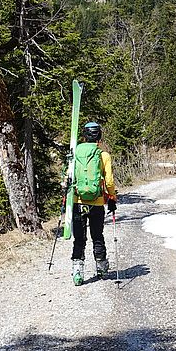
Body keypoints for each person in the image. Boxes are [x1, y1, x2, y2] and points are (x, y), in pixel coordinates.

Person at [71, 121, 117, 285]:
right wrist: (112, 198)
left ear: (84, 135)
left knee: (79, 238)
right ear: (99, 136)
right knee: (97, 236)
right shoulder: (103, 155)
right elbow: (109, 182)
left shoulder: (75, 152)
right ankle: (102, 269)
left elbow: (68, 176)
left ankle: (77, 273)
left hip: (78, 201)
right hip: (97, 203)